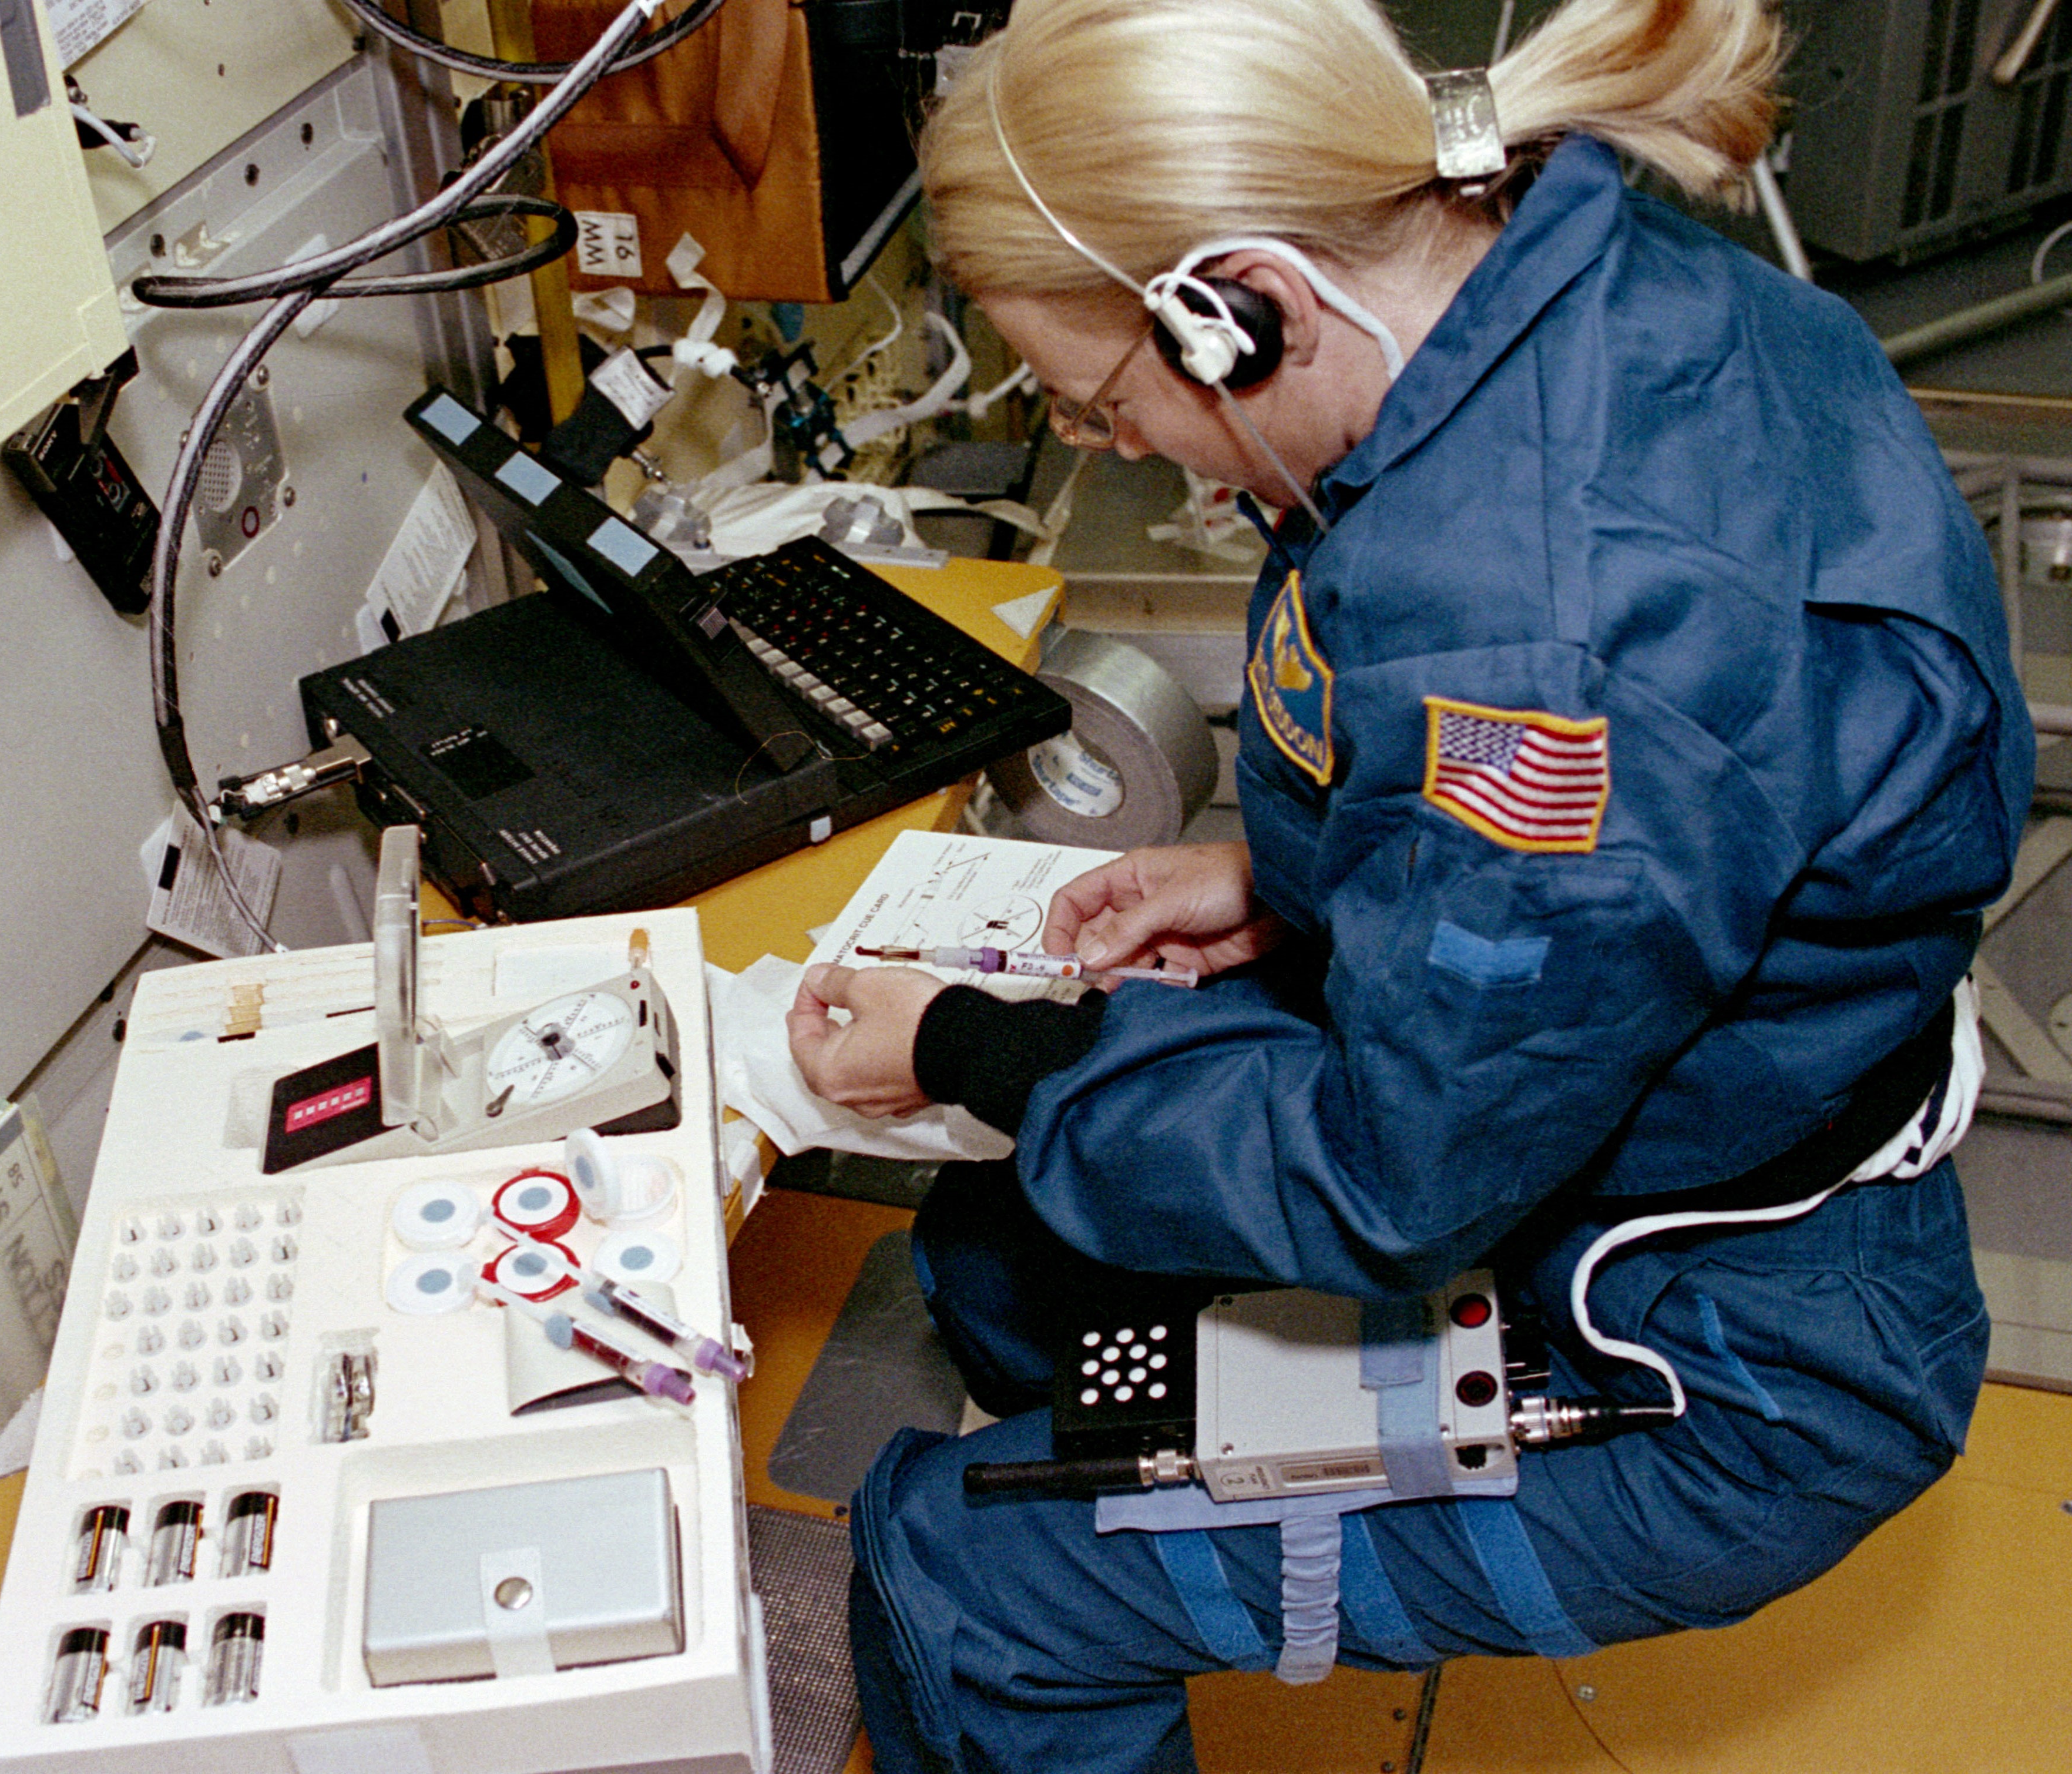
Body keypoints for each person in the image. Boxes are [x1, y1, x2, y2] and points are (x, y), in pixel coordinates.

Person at [784, 3, 2036, 1770]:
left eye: (1102, 400)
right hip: (1635, 1143)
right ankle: (1166, 1496)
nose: (1119, 448)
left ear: (1237, 305)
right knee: (1002, 1250)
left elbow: (1390, 1179)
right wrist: (1291, 884)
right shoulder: (1542, 268)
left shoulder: (1546, 635)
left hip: (1719, 1363)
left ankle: (1073, 1575)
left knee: (958, 1569)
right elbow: (1685, 814)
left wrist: (981, 1047)